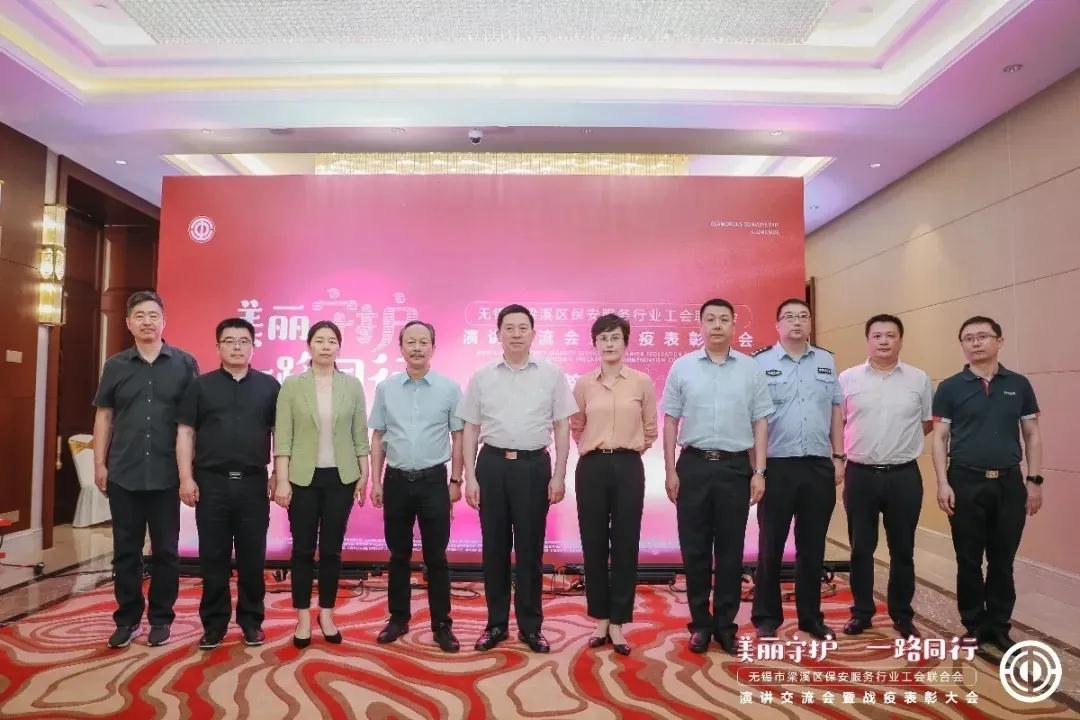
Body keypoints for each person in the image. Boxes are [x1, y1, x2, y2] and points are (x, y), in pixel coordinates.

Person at [458, 304, 577, 653]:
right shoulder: (482, 377)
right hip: (492, 465)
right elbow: (470, 428)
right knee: (494, 550)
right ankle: (495, 624)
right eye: (508, 328)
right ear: (498, 334)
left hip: (532, 467)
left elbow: (562, 427)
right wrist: (469, 477)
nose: (516, 334)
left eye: (522, 328)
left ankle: (530, 627)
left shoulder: (551, 374)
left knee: (529, 550)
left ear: (533, 334)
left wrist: (559, 475)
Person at [661, 298, 773, 654]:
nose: (717, 325)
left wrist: (759, 471)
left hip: (735, 468)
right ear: (700, 325)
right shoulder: (683, 367)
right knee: (694, 549)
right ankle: (700, 625)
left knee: (730, 550)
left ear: (734, 325)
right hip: (693, 465)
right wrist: (670, 470)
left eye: (724, 319)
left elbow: (760, 421)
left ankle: (726, 626)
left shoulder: (750, 369)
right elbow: (670, 421)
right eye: (710, 319)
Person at [92, 290, 199, 649]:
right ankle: (127, 620)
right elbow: (104, 415)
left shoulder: (184, 364)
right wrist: (100, 463)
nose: (147, 322)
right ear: (128, 323)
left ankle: (161, 619)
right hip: (125, 471)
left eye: (153, 315)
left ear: (164, 321)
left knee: (166, 551)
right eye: (139, 316)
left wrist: (189, 472)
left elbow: (192, 422)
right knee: (126, 550)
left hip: (167, 474)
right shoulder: (115, 366)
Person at [932, 316, 1043, 655]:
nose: (976, 342)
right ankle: (974, 625)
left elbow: (1032, 434)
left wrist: (1034, 480)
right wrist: (942, 482)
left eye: (983, 336)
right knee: (968, 558)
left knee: (1002, 559)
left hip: (1009, 483)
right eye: (968, 338)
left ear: (999, 341)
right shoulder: (950, 387)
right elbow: (939, 438)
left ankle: (998, 626)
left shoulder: (1019, 385)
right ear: (962, 345)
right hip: (965, 481)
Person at [176, 317, 281, 650]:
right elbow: (185, 433)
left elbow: (281, 434)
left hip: (253, 484)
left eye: (243, 341)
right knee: (213, 558)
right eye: (230, 341)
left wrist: (278, 474)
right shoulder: (200, 386)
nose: (237, 347)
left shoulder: (269, 386)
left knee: (253, 558)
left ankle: (252, 622)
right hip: (212, 484)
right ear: (218, 346)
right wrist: (186, 477)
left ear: (253, 347)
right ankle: (214, 625)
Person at [368, 320, 464, 653]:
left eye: (424, 342)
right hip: (395, 481)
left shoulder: (449, 389)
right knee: (398, 555)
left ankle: (442, 624)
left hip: (433, 481)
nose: (417, 347)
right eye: (411, 342)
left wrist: (456, 480)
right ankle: (398, 618)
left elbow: (458, 437)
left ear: (433, 347)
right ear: (401, 348)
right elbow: (378, 436)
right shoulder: (386, 389)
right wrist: (375, 480)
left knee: (436, 556)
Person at [750, 298, 843, 642]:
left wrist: (839, 456)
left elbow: (836, 410)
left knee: (813, 546)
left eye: (803, 316)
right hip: (777, 466)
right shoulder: (760, 363)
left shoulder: (826, 361)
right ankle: (766, 617)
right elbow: (753, 417)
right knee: (770, 546)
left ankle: (810, 618)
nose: (797, 322)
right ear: (777, 325)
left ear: (810, 323)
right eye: (789, 316)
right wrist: (756, 468)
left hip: (817, 465)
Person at [273, 320, 370, 648]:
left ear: (339, 347)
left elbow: (359, 435)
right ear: (309, 346)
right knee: (302, 550)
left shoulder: (352, 385)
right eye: (319, 340)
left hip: (341, 478)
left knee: (331, 550)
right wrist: (282, 479)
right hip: (302, 478)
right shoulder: (292, 385)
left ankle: (326, 614)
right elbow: (283, 437)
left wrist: (364, 474)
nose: (326, 346)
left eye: (331, 341)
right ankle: (302, 617)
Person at [838, 314, 931, 639]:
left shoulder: (919, 379)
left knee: (902, 550)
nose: (884, 341)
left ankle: (902, 616)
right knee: (861, 549)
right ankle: (861, 612)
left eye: (890, 335)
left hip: (903, 476)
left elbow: (926, 422)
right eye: (877, 335)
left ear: (900, 340)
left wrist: (899, 445)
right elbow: (838, 422)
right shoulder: (848, 379)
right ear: (868, 340)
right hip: (860, 475)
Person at [571, 314, 658, 656]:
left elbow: (650, 429)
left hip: (628, 466)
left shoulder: (641, 382)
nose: (609, 344)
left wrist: (628, 449)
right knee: (593, 542)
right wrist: (596, 447)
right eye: (603, 338)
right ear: (595, 344)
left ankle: (619, 621)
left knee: (625, 542)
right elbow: (577, 426)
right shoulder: (583, 384)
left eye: (615, 338)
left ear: (625, 342)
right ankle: (601, 618)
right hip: (591, 467)